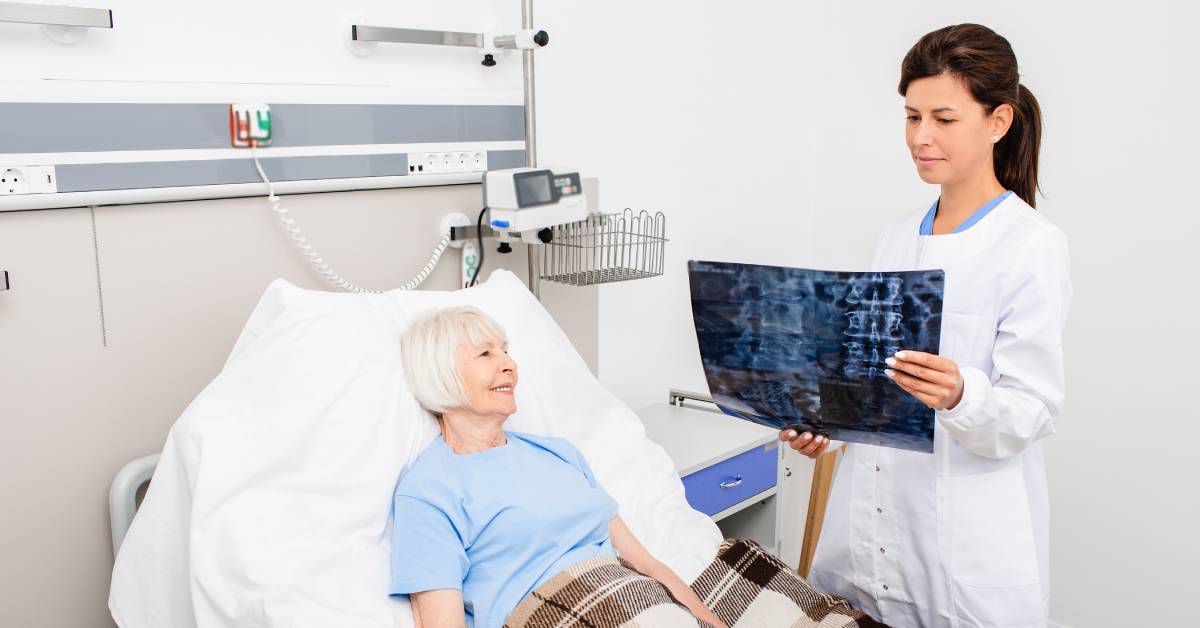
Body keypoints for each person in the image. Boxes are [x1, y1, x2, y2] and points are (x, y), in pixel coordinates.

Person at [780, 24, 1071, 627]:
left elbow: (1033, 408)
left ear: (998, 121)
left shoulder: (1030, 245)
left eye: (943, 118)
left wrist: (963, 393)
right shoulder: (894, 236)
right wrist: (826, 427)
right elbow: (868, 383)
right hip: (866, 536)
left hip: (964, 552)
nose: (921, 138)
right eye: (912, 117)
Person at [389, 306, 728, 628]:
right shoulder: (429, 492)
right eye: (485, 353)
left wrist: (709, 621)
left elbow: (645, 563)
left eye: (506, 351)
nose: (509, 364)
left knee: (761, 576)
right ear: (441, 373)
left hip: (631, 596)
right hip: (550, 612)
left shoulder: (558, 453)